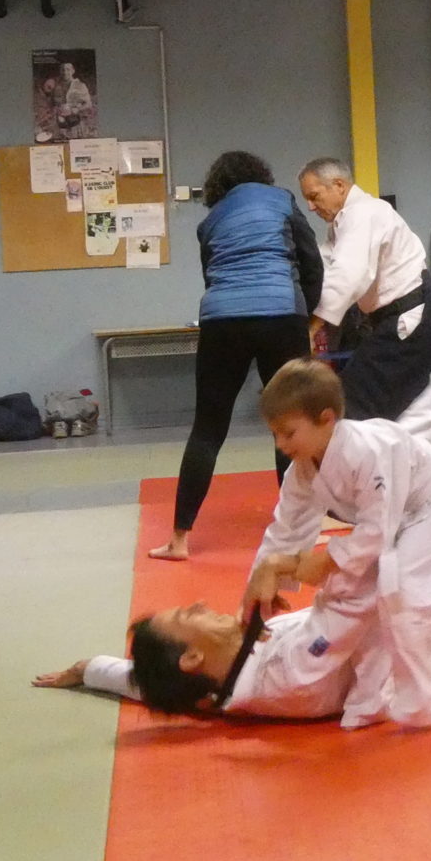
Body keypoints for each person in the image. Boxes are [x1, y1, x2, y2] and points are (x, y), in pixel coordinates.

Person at [38, 308, 431, 729]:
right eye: (188, 613)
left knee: (408, 441)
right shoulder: (287, 679)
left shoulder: (213, 667)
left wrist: (90, 670)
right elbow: (363, 593)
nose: (201, 603)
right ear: (193, 657)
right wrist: (301, 566)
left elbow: (285, 529)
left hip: (404, 527)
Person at [298, 154, 431, 507]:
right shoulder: (346, 223)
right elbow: (327, 268)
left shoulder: (363, 214)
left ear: (338, 185)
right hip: (418, 314)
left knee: (353, 395)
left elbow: (349, 276)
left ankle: (342, 497)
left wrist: (314, 325)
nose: (311, 205)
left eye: (314, 195)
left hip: (411, 316)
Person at [149, 151, 326, 560]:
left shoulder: (210, 221)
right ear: (261, 175)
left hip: (222, 318)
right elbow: (312, 263)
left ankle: (179, 538)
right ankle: (297, 533)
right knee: (292, 422)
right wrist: (302, 311)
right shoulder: (282, 201)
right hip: (281, 312)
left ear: (218, 186)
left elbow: (211, 275)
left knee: (207, 428)